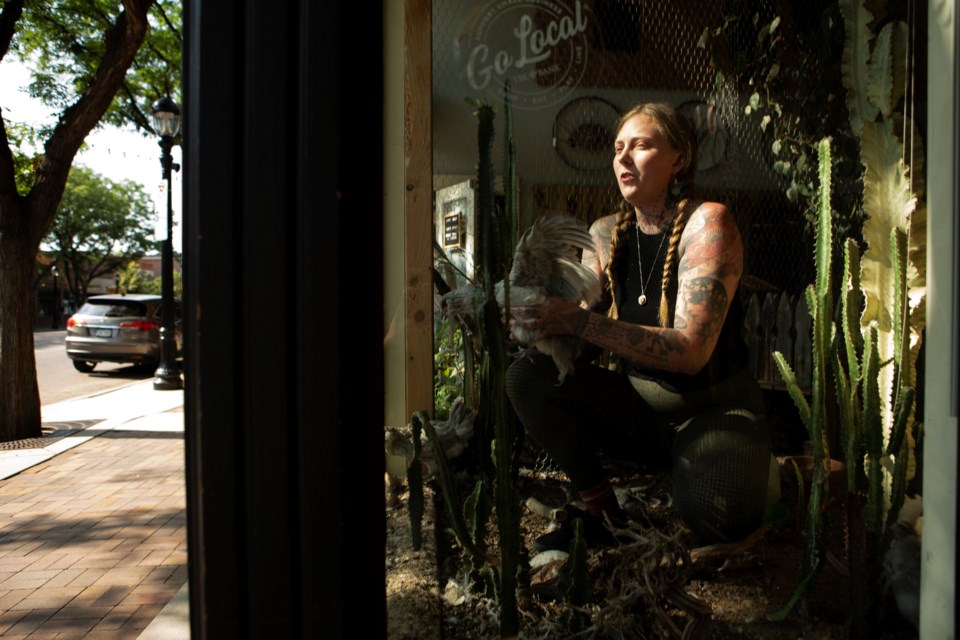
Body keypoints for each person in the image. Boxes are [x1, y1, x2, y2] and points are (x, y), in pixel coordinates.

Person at [506, 102, 774, 551]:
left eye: (641, 145)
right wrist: (531, 317)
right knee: (528, 375)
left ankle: (759, 468)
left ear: (680, 159)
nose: (623, 159)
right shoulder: (605, 233)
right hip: (639, 416)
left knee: (721, 518)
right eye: (617, 149)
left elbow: (691, 352)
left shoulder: (709, 224)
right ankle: (603, 517)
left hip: (710, 415)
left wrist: (575, 319)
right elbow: (578, 333)